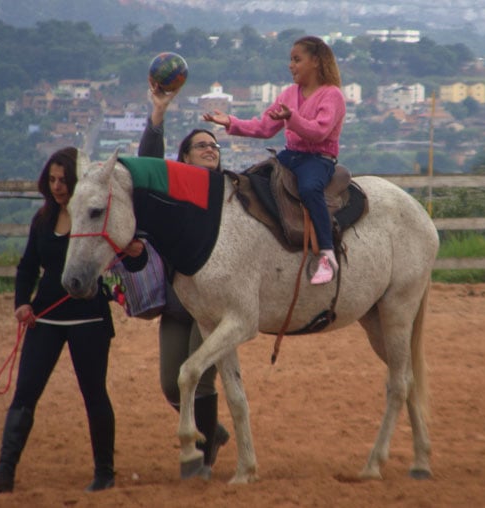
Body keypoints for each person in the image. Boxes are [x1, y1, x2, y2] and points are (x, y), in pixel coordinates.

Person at [0, 147, 118, 493]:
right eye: (52, 179)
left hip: (88, 320)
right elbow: (26, 268)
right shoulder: (42, 220)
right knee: (25, 393)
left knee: (94, 394)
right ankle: (5, 471)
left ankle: (105, 473)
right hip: (46, 319)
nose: (57, 186)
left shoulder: (91, 217)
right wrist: (21, 303)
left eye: (63, 179)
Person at [136, 81, 229, 478]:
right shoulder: (172, 193)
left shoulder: (227, 194)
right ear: (184, 157)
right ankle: (214, 431)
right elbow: (148, 167)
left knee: (199, 378)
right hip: (177, 303)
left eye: (215, 145)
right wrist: (158, 114)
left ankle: (203, 460)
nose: (211, 148)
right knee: (172, 386)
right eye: (201, 146)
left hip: (211, 304)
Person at [204, 35, 346, 285]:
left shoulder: (332, 95)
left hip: (318, 159)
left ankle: (327, 253)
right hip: (290, 155)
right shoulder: (289, 94)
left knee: (310, 189)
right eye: (291, 60)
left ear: (315, 61)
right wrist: (232, 122)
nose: (291, 65)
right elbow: (264, 128)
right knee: (251, 181)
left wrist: (292, 119)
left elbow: (319, 131)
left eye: (297, 60)